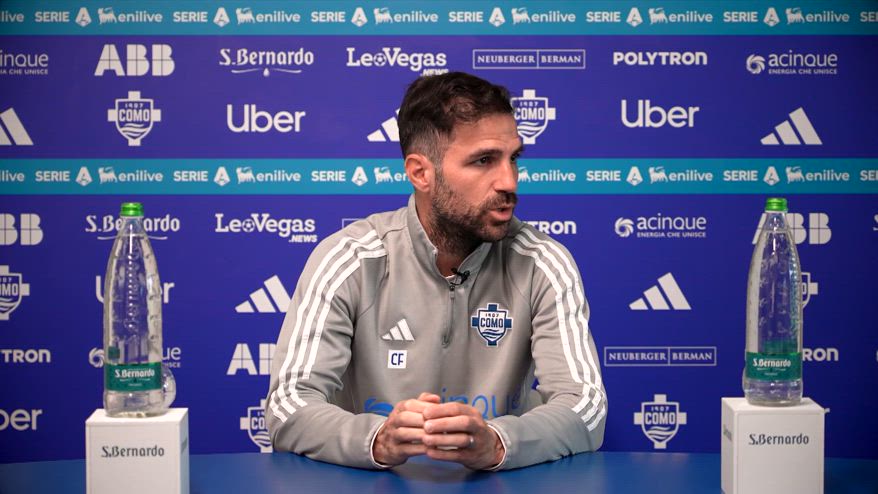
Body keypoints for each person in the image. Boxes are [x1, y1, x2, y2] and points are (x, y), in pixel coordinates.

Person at [266, 72, 606, 470]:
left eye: (513, 158)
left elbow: (586, 406)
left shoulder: (543, 263)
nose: (510, 181)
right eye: (484, 160)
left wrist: (498, 443)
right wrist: (377, 440)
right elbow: (288, 405)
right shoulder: (349, 259)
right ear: (420, 173)